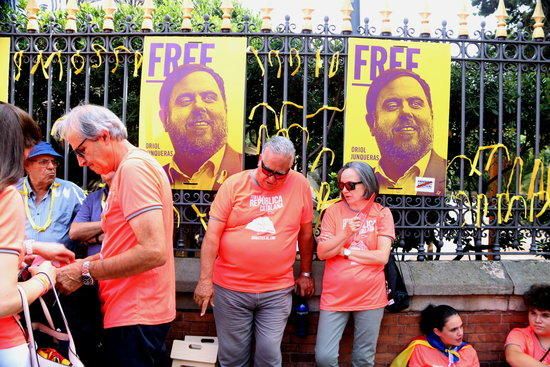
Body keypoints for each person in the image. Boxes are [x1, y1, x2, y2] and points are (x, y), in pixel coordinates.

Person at [52, 104, 176, 367]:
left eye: (81, 150)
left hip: (136, 312)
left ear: (104, 135)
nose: (81, 162)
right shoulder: (131, 168)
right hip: (135, 310)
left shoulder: (133, 169)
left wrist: (85, 270)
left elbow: (154, 251)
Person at [193, 136, 315, 367]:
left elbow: (306, 234)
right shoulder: (234, 185)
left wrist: (306, 273)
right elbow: (212, 237)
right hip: (231, 288)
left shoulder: (299, 185)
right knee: (233, 357)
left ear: (290, 168)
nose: (272, 178)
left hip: (276, 290)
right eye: (267, 170)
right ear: (260, 159)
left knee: (269, 355)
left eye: (280, 174)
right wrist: (205, 281)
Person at [0, 102, 74, 367]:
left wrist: (29, 249)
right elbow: (3, 301)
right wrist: (45, 277)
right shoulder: (7, 196)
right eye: (29, 146)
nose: (50, 167)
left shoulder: (72, 192)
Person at [315, 161, 395, 367]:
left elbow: (381, 257)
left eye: (350, 185)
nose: (344, 190)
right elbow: (323, 253)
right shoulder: (333, 212)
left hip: (370, 296)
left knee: (363, 358)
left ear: (366, 184)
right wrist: (346, 233)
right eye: (341, 185)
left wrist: (346, 252)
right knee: (324, 357)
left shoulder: (382, 213)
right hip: (335, 296)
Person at [158, 63, 242, 190]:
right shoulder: (153, 178)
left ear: (225, 109)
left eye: (209, 98)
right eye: (185, 100)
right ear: (165, 119)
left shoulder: (248, 172)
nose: (198, 106)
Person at [365, 68, 446, 196]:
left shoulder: (446, 173)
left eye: (416, 103)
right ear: (371, 123)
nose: (406, 112)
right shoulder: (364, 183)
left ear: (431, 115)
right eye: (392, 105)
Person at [66, 172, 114, 366]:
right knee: (90, 330)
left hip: (119, 276)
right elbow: (75, 232)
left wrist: (94, 235)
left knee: (115, 337)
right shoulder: (94, 198)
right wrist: (107, 226)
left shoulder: (131, 195)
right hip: (93, 278)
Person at [16, 141, 85, 251]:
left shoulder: (71, 191)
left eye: (54, 162)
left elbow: (88, 223)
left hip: (58, 265)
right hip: (18, 262)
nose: (51, 167)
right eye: (44, 162)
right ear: (27, 166)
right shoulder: (12, 191)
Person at [390, 304, 480, 367]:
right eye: (453, 329)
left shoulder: (469, 352)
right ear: (437, 332)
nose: (460, 333)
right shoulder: (420, 349)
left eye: (461, 327)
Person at [505, 284, 550, 366]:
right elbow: (513, 356)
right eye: (533, 313)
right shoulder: (520, 334)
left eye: (545, 315)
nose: (537, 320)